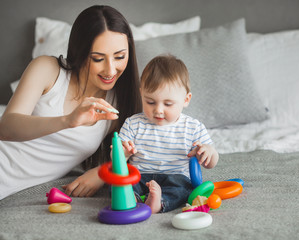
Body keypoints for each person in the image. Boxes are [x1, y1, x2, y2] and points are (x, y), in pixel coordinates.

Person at [0, 5, 142, 200]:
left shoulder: (120, 103)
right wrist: (67, 120)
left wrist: (103, 172)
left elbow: (143, 149)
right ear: (80, 51)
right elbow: (6, 128)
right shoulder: (48, 70)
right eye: (98, 58)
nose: (110, 70)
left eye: (119, 57)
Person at [119, 55, 219, 213]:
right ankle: (134, 199)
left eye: (168, 104)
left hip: (175, 175)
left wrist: (208, 152)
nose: (158, 109)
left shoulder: (193, 127)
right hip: (139, 175)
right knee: (119, 182)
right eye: (150, 102)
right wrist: (121, 153)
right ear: (141, 94)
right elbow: (116, 159)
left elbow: (211, 163)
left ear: (186, 100)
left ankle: (159, 201)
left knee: (183, 188)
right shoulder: (133, 123)